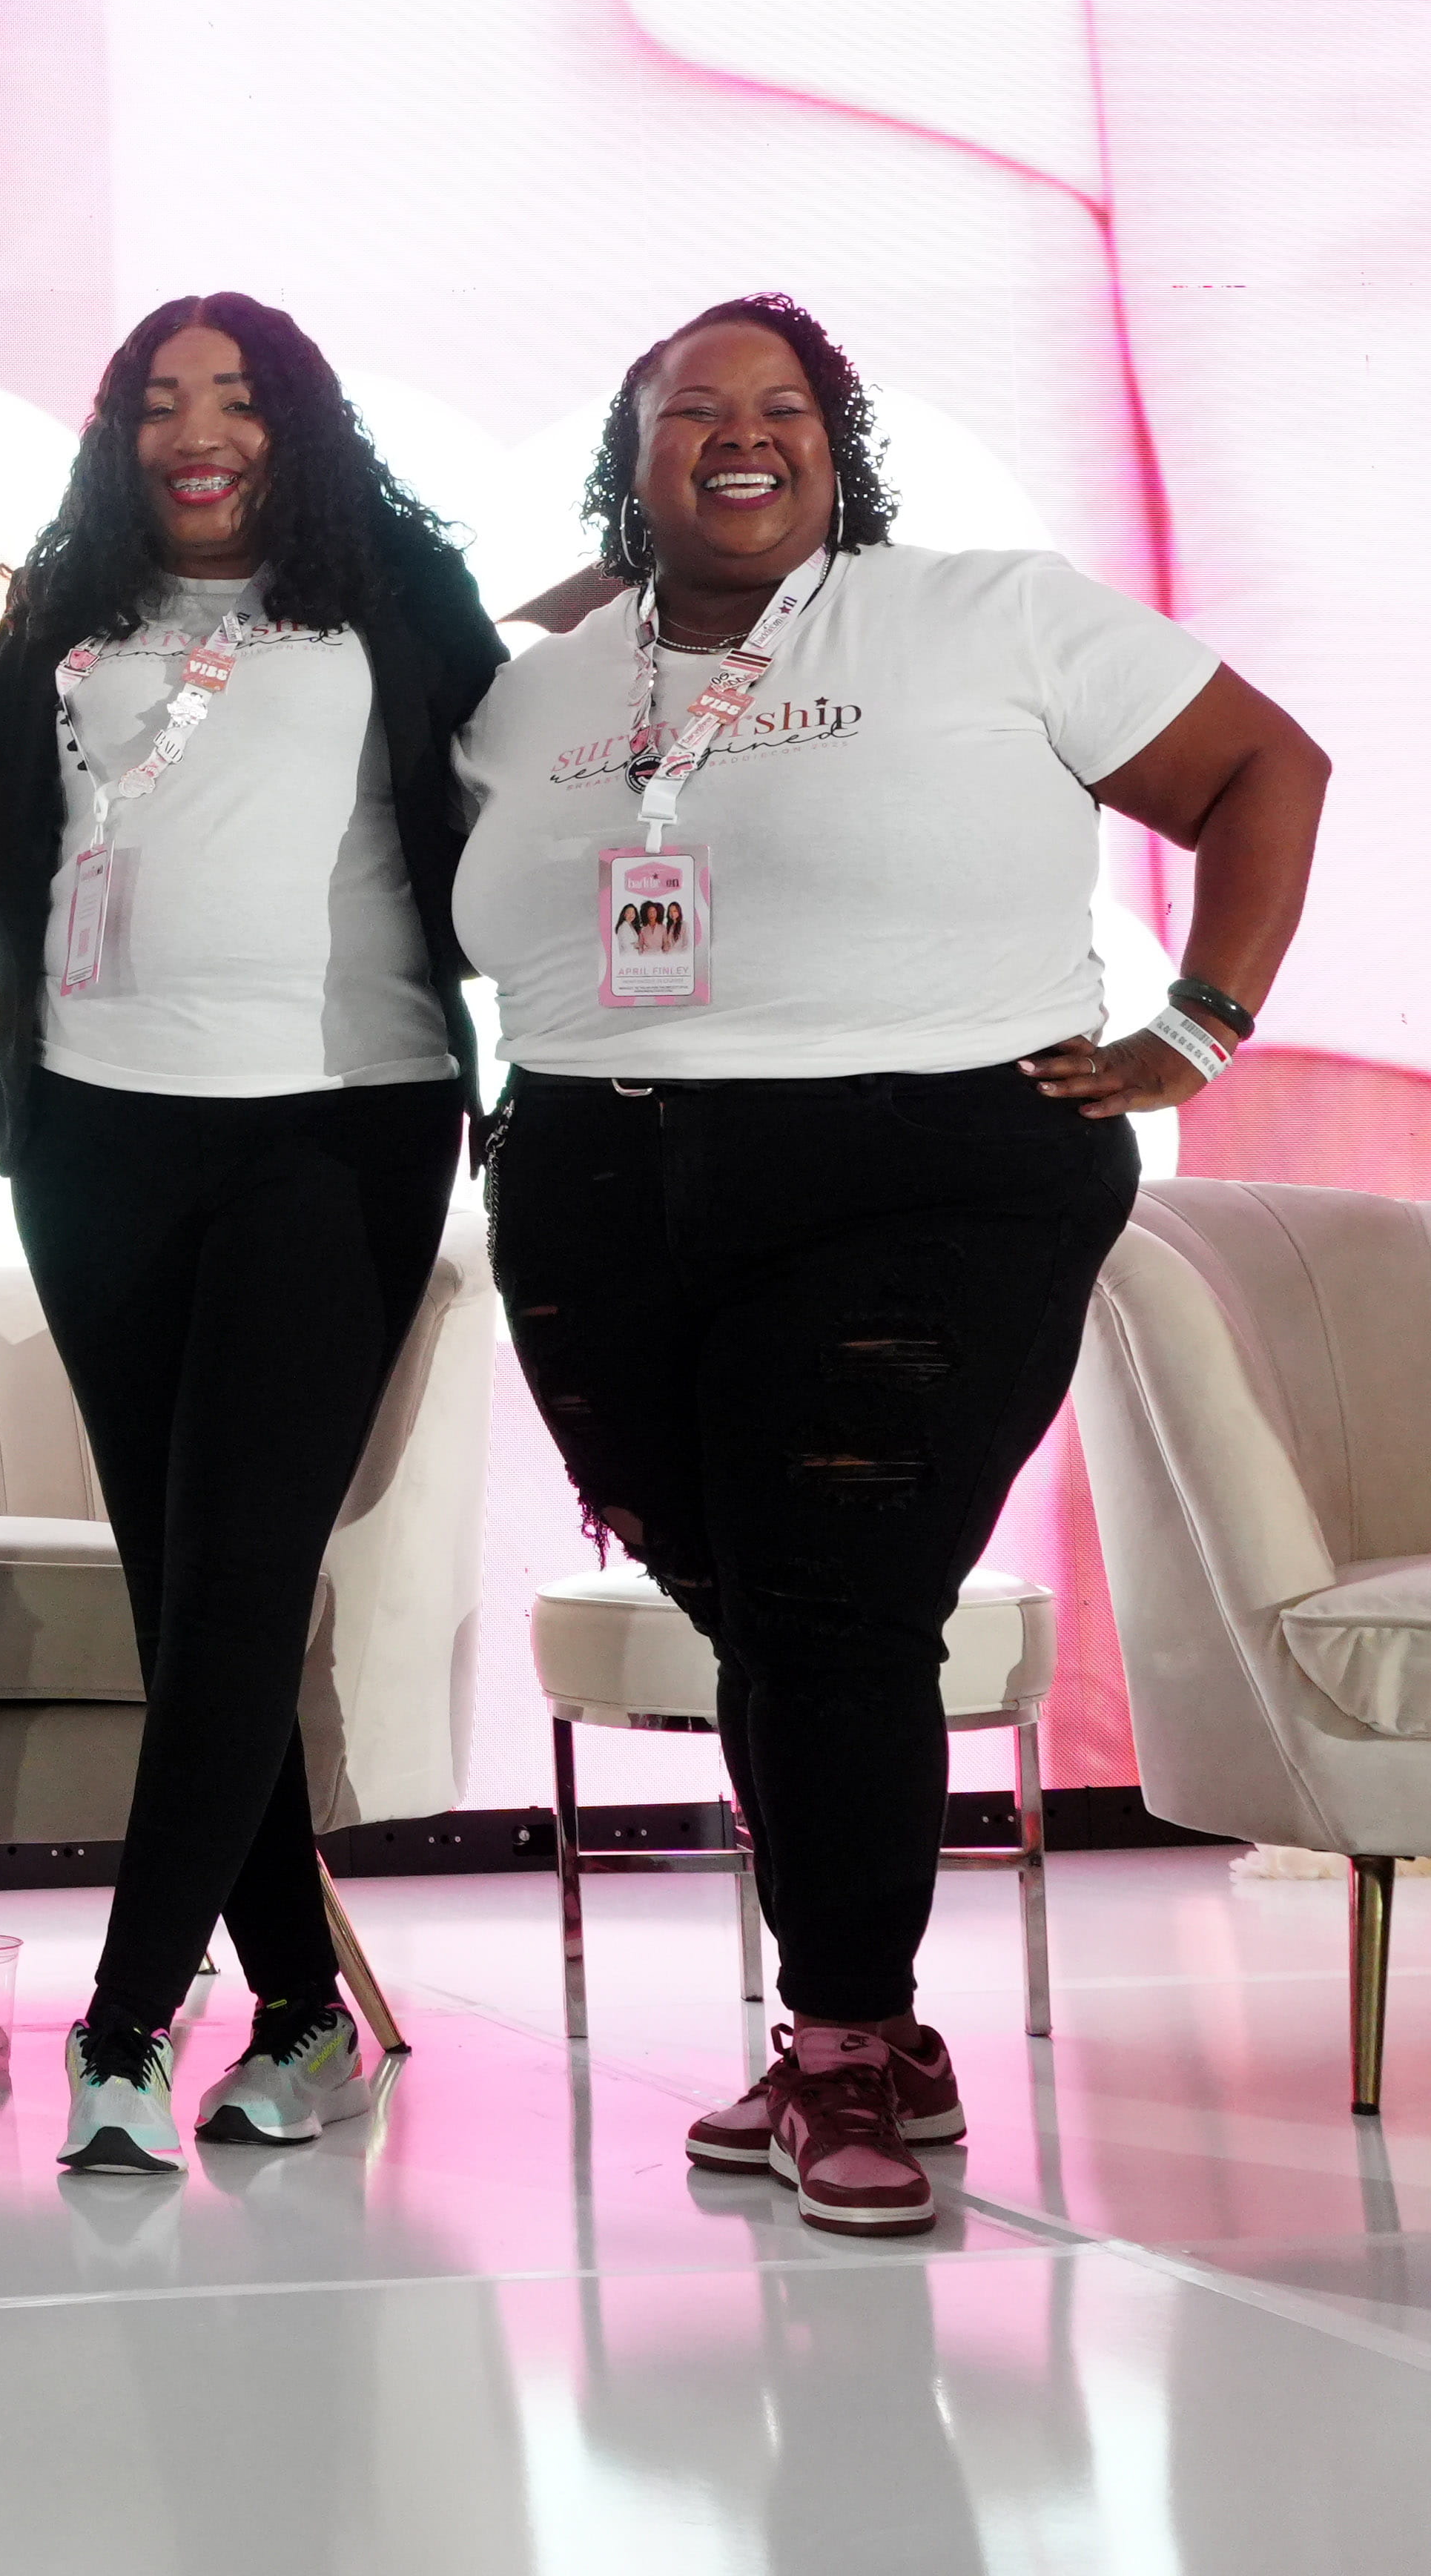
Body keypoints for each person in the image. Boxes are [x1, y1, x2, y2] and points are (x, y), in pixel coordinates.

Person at [457, 291, 1326, 2239]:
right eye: (693, 412)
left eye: (786, 410)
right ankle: (865, 2027)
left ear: (843, 444)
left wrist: (1194, 1028)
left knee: (837, 1606)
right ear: (629, 454)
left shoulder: (985, 613)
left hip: (929, 1170)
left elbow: (1267, 768)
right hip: (601, 1173)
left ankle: (845, 2034)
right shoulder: (535, 683)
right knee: (761, 1607)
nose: (743, 439)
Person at [0, 291, 509, 2175]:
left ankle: (122, 2024)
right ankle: (300, 2011)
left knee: (242, 1582)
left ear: (299, 421)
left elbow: (524, 776)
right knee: (194, 1595)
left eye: (237, 398)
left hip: (336, 1120)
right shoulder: (61, 616)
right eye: (156, 401)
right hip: (96, 1133)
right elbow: (5, 864)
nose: (196, 432)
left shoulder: (396, 599)